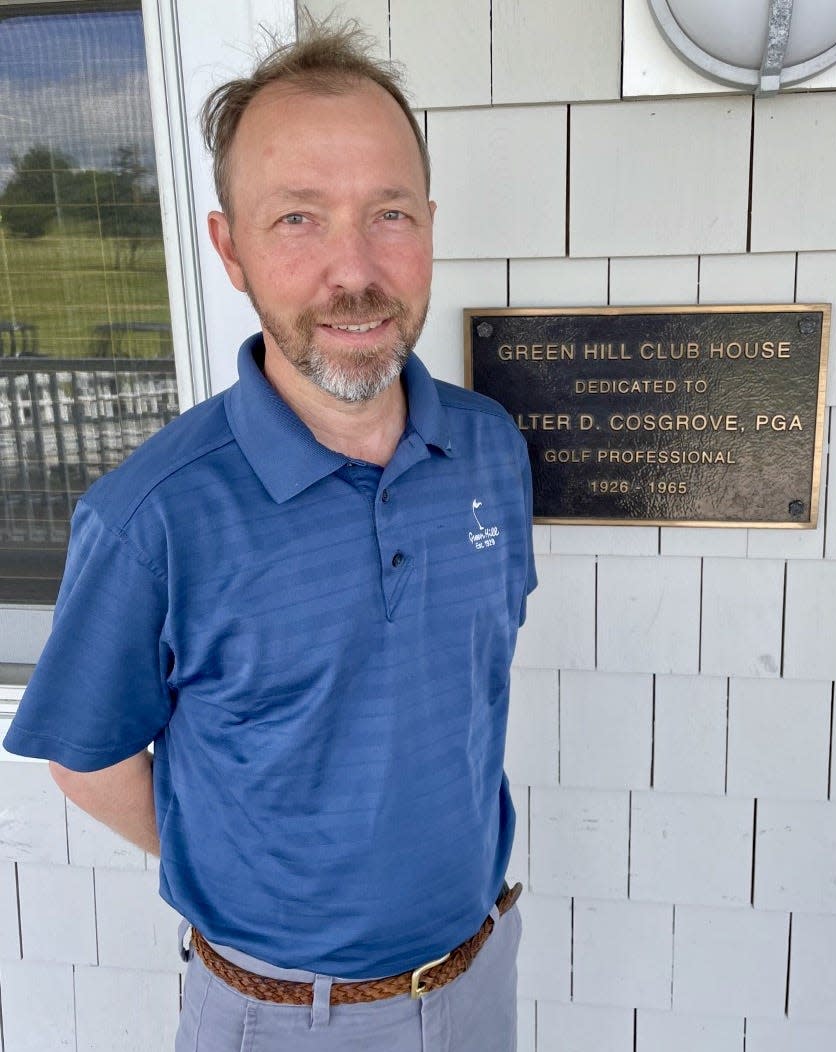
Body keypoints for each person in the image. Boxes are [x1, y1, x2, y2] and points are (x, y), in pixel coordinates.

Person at [3, 14, 536, 1051]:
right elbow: (90, 757)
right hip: (286, 1015)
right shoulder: (151, 516)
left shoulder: (488, 451)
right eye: (297, 219)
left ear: (427, 224)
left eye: (387, 213)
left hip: (478, 977)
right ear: (229, 248)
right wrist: (257, 865)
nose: (354, 269)